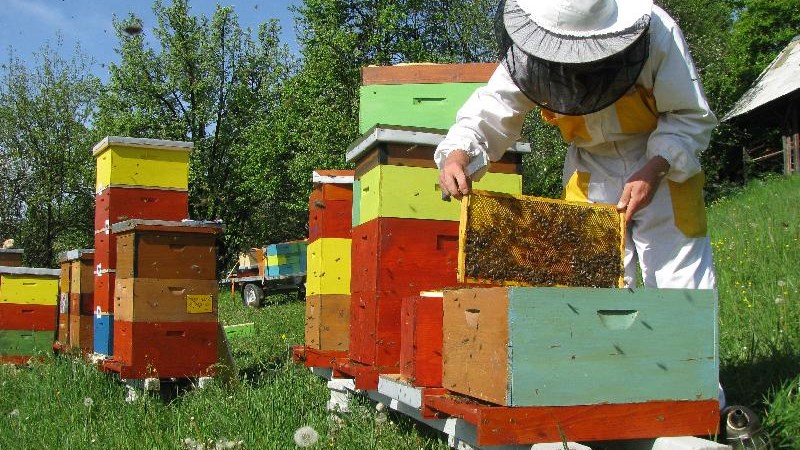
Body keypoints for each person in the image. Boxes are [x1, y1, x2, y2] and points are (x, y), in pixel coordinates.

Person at [436, 0, 717, 290]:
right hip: (588, 170)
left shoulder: (656, 32)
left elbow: (689, 113)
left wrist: (655, 168)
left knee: (683, 290)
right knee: (595, 294)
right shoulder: (531, 45)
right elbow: (494, 107)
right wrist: (458, 154)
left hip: (663, 165)